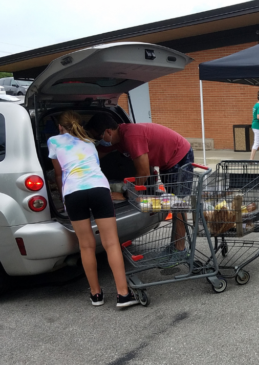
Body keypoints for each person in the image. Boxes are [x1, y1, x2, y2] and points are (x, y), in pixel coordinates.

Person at [47, 111, 139, 308]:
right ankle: (123, 295)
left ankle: (96, 294)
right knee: (111, 243)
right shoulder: (89, 142)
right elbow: (96, 167)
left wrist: (63, 196)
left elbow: (58, 173)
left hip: (73, 193)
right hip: (98, 189)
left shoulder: (53, 141)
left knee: (86, 246)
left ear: (60, 127)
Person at [84, 113, 194, 250]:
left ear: (108, 132)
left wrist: (125, 194)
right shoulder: (116, 138)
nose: (98, 141)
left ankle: (179, 249)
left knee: (178, 204)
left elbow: (144, 173)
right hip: (166, 160)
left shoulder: (131, 137)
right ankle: (177, 244)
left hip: (179, 156)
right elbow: (94, 156)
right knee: (174, 202)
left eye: (97, 137)